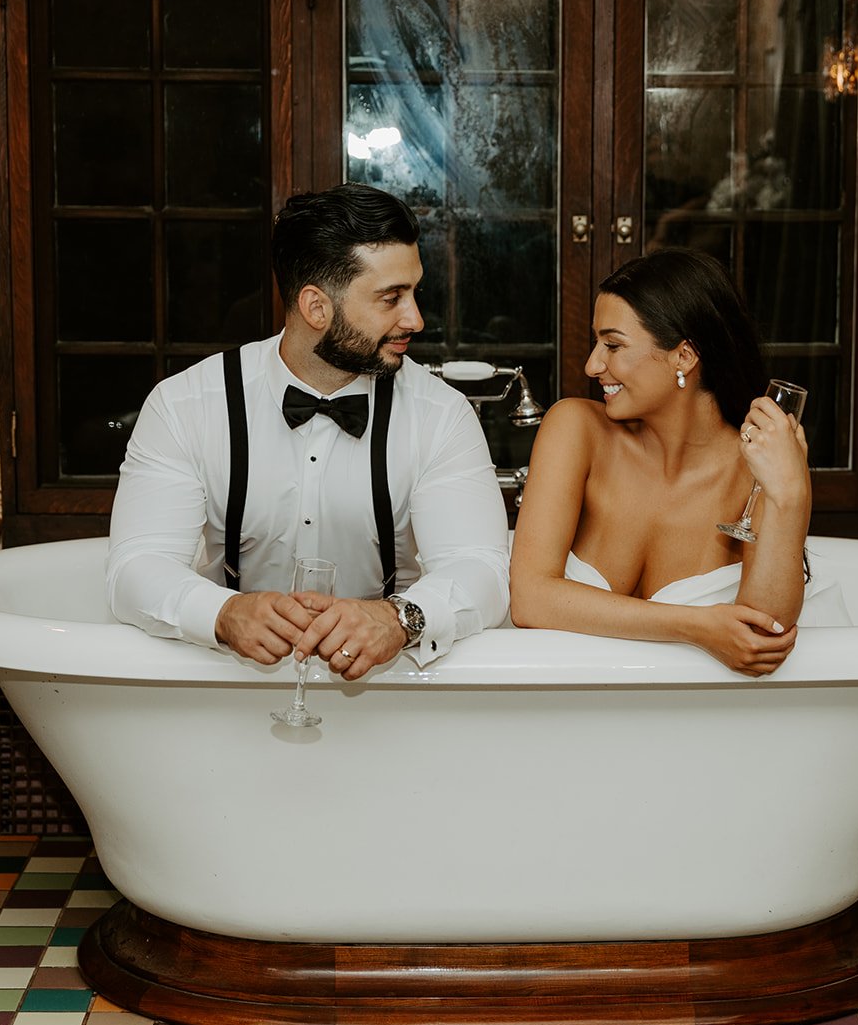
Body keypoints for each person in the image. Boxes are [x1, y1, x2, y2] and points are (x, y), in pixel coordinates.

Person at [106, 183, 510, 680]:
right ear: (316, 307)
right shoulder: (184, 406)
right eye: (391, 298)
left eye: (414, 292)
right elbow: (134, 568)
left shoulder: (441, 415)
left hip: (391, 693)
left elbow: (483, 570)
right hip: (227, 685)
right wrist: (222, 613)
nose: (416, 319)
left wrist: (399, 618)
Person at [508, 248, 810, 675]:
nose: (592, 365)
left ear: (684, 356)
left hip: (696, 728)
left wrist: (790, 493)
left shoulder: (757, 467)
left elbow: (763, 639)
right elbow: (529, 598)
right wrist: (695, 627)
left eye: (612, 345)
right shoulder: (576, 429)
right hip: (563, 717)